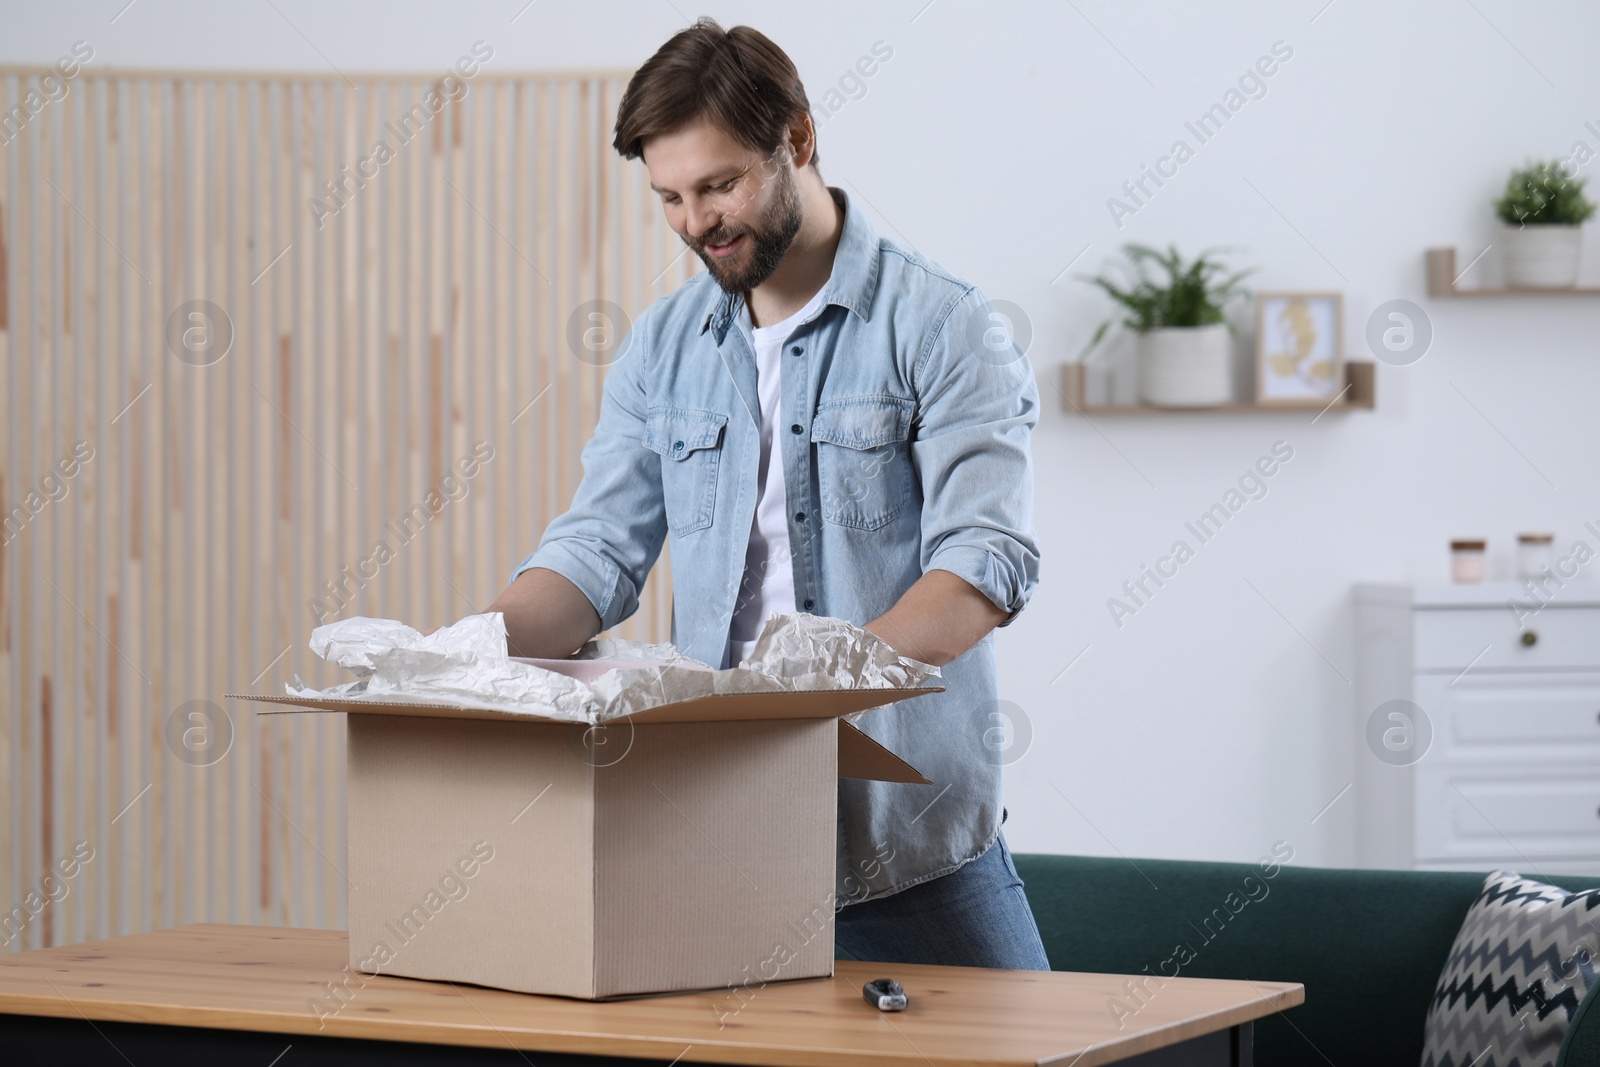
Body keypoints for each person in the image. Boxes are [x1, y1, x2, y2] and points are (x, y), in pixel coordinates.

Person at [453, 18, 1046, 970]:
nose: (695, 223)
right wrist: (466, 652)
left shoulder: (943, 324)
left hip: (905, 848)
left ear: (798, 141)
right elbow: (598, 548)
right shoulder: (664, 343)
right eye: (671, 197)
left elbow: (983, 564)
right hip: (712, 834)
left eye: (720, 185)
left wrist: (811, 683)